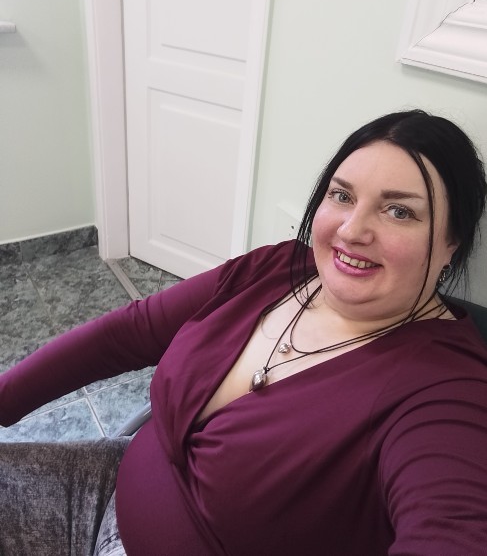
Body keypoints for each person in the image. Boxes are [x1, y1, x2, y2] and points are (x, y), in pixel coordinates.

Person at [1, 109, 487, 555]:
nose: (351, 230)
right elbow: (129, 331)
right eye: (341, 195)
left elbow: (451, 526)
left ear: (452, 242)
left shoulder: (446, 389)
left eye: (399, 211)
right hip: (106, 483)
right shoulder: (278, 268)